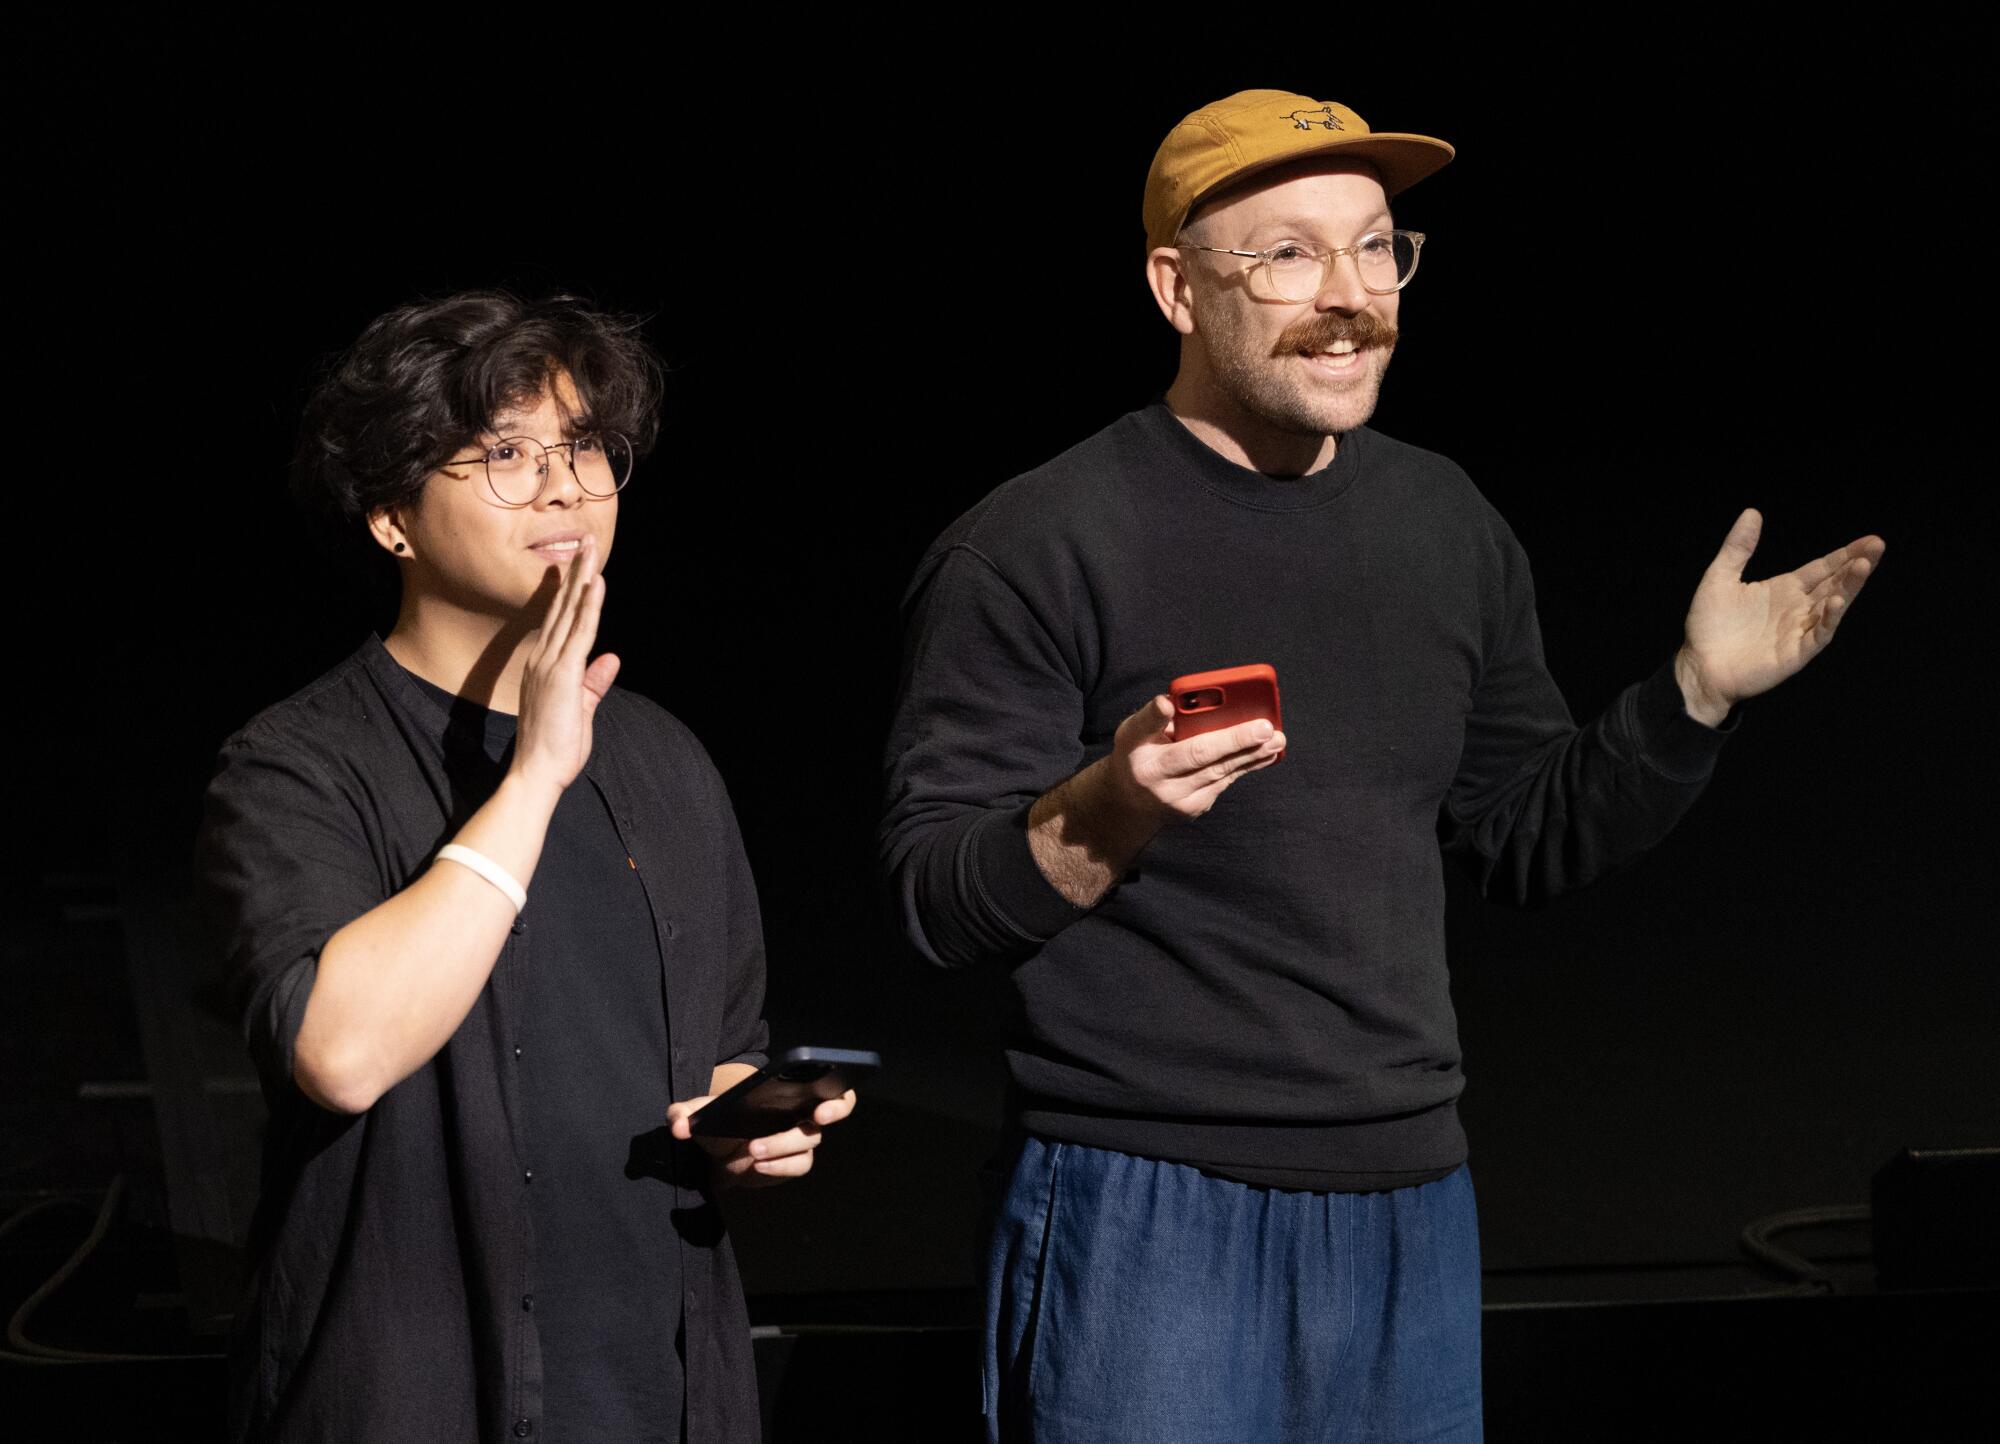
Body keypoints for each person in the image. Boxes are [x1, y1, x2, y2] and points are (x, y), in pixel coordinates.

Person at [878, 90, 1883, 1441]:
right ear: (1178, 289)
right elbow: (937, 899)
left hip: (1409, 1192)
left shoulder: (1442, 520)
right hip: (1150, 1200)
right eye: (1290, 254)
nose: (1351, 297)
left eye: (1377, 249)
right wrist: (1110, 802)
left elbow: (1521, 836)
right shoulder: (1036, 545)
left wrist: (1693, 697)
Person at [198, 291, 851, 1443]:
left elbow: (719, 1051)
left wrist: (745, 1130)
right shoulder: (296, 763)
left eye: (587, 449)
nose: (564, 487)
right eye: (504, 454)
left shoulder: (662, 755)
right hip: (413, 1391)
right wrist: (535, 773)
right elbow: (341, 1054)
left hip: (659, 1389)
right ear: (392, 514)